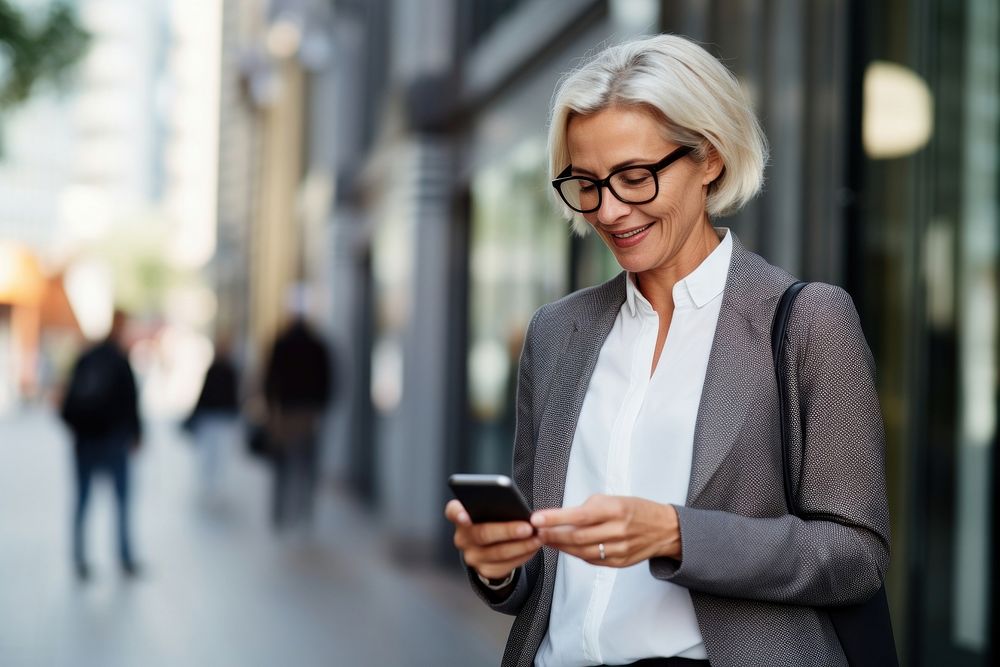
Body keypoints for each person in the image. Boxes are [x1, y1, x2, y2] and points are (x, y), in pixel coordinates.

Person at [445, 34, 890, 667]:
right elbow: (540, 581)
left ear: (708, 158)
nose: (610, 210)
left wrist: (678, 534)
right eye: (587, 183)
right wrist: (498, 565)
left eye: (635, 177)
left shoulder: (805, 322)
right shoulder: (557, 334)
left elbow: (855, 559)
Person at [60, 310, 142, 580]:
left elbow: (67, 403)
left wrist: (79, 431)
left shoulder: (87, 359)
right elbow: (132, 403)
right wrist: (136, 435)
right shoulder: (119, 360)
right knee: (121, 501)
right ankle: (124, 557)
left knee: (83, 502)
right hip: (112, 441)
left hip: (85, 441)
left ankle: (79, 558)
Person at [262, 317, 334, 530]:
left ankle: (280, 513)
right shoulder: (317, 346)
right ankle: (304, 511)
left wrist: (270, 407)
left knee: (282, 467)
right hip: (308, 414)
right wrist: (320, 406)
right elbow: (327, 381)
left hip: (286, 412)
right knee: (307, 465)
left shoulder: (282, 344)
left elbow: (270, 378)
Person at [183, 337, 241, 495]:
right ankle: (208, 486)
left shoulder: (230, 371)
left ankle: (215, 487)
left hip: (221, 418)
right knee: (210, 454)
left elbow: (234, 396)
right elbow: (205, 394)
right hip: (211, 417)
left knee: (218, 455)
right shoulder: (216, 370)